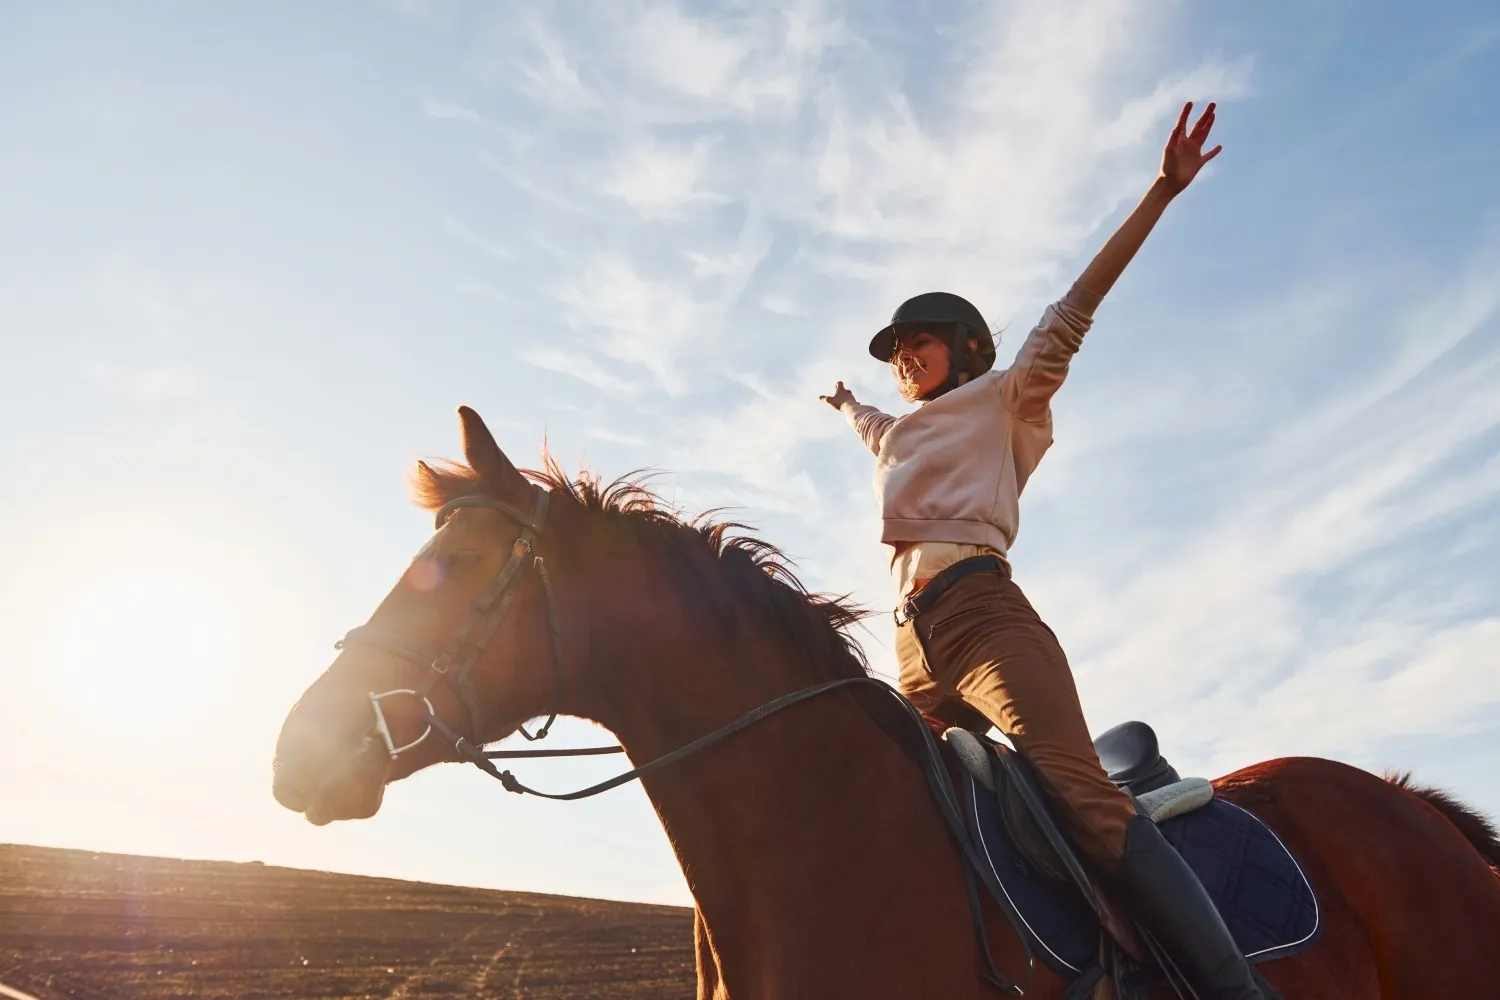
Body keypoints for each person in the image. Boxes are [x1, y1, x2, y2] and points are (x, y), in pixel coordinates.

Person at [822, 102, 1275, 1000]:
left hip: (986, 619)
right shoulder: (899, 434)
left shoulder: (1007, 395)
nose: (903, 358)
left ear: (968, 348)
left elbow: (1075, 308)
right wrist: (844, 405)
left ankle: (1235, 993)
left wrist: (1161, 192)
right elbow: (875, 428)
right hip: (912, 645)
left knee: (1084, 799)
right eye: (896, 351)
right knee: (902, 805)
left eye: (918, 343)